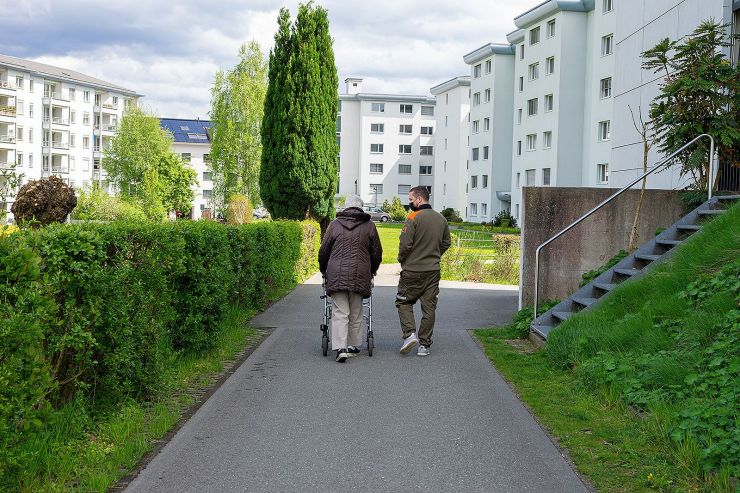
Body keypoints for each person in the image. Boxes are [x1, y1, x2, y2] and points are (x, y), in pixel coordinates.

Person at [318, 195, 383, 362]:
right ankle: (353, 346)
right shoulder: (369, 226)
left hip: (336, 274)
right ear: (361, 208)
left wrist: (323, 270)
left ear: (346, 207)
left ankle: (340, 348)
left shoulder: (334, 225)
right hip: (360, 274)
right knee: (356, 311)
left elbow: (324, 251)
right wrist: (373, 270)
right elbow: (377, 253)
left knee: (340, 312)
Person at [396, 186, 451, 356]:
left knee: (403, 302)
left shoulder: (413, 217)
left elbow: (405, 244)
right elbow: (446, 242)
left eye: (411, 200)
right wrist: (434, 255)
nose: (410, 203)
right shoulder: (441, 219)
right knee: (429, 308)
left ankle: (410, 334)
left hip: (412, 270)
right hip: (433, 271)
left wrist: (402, 260)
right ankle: (424, 346)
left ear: (419, 199)